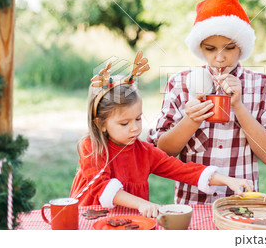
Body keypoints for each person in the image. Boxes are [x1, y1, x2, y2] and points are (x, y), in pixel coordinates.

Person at [70, 52, 253, 217]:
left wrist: (228, 180)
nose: (134, 128)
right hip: (90, 219)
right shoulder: (91, 147)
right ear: (100, 124)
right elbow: (102, 188)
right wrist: (141, 203)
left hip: (130, 223)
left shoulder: (144, 152)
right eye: (124, 123)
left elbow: (183, 170)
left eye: (138, 119)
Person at [147, 0, 266, 204]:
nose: (220, 58)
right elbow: (162, 152)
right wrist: (191, 120)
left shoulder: (264, 86)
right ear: (199, 47)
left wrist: (239, 106)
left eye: (229, 48)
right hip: (192, 201)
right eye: (210, 49)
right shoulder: (180, 84)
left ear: (242, 46)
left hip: (242, 204)